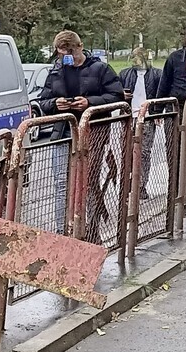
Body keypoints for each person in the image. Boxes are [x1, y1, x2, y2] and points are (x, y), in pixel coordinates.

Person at [35, 31, 125, 241]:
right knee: (61, 183)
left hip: (92, 131)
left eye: (72, 53)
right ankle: (62, 233)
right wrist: (55, 104)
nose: (68, 58)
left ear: (80, 46)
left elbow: (117, 95)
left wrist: (89, 102)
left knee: (88, 182)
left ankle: (90, 232)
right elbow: (43, 101)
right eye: (63, 54)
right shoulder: (56, 70)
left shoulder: (99, 68)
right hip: (63, 131)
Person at [120, 46, 161, 199]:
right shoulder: (125, 74)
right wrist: (121, 96)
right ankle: (127, 183)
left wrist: (156, 112)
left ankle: (141, 185)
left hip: (147, 117)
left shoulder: (157, 74)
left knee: (144, 153)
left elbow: (160, 93)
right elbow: (116, 93)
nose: (134, 61)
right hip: (129, 117)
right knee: (127, 152)